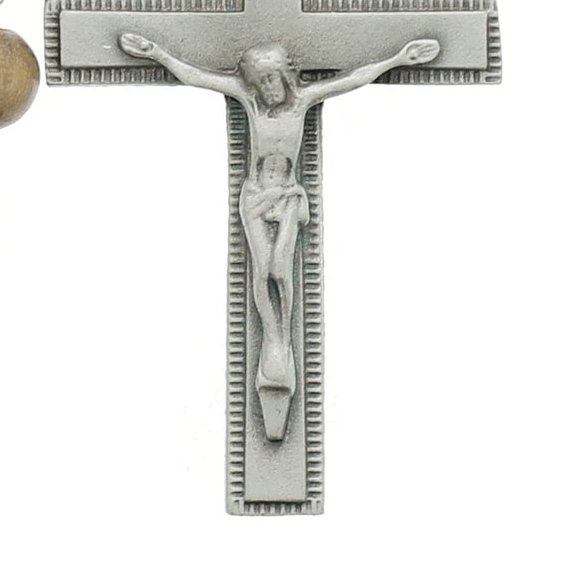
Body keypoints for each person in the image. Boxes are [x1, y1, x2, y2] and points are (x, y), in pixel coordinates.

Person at [119, 31, 439, 441]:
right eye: (259, 81)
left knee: (280, 270)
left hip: (287, 195)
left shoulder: (303, 101)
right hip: (256, 197)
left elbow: (353, 78)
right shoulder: (250, 101)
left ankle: (281, 339)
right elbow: (197, 76)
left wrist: (397, 59)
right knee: (260, 271)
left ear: (286, 76)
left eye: (271, 79)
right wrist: (158, 53)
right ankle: (271, 337)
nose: (266, 88)